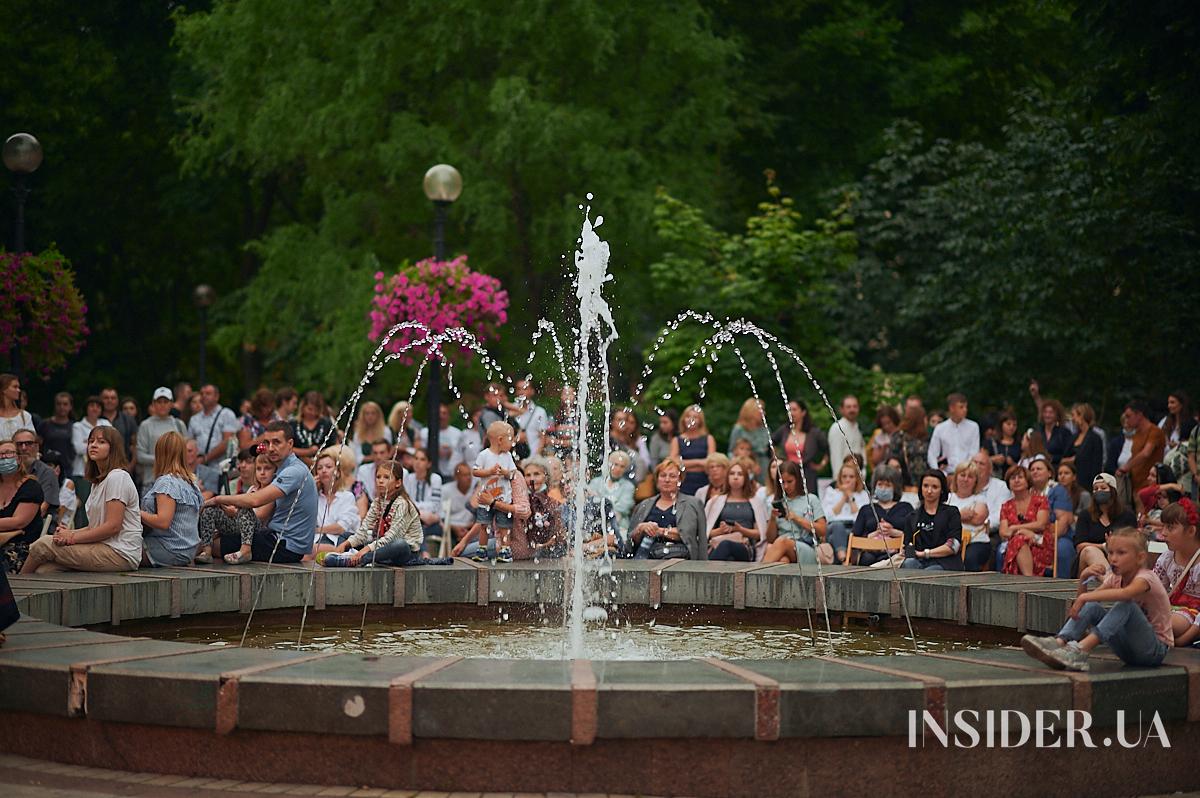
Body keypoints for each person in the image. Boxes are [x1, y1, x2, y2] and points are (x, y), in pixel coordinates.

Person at [1021, 527, 1171, 671]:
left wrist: (1086, 597)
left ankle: (1081, 650)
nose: (1113, 559)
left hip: (1153, 651)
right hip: (1127, 651)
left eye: (1121, 553)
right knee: (1092, 606)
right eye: (1110, 553)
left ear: (1140, 557)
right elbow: (1086, 603)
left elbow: (1126, 594)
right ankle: (1059, 642)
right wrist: (1083, 578)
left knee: (1127, 605)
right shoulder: (1116, 578)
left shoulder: (1146, 578)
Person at [21, 426, 140, 574]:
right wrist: (69, 533)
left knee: (44, 544)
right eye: (91, 441)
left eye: (101, 442)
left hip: (120, 553)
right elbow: (94, 527)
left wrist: (72, 537)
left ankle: (14, 591)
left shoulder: (117, 477)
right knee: (43, 571)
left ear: (113, 448)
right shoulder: (98, 482)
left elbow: (112, 527)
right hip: (102, 547)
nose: (93, 445)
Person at [201, 421, 317, 564]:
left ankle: (242, 551)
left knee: (216, 545)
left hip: (285, 546)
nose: (271, 448)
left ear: (290, 444)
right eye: (267, 443)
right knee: (213, 526)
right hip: (274, 537)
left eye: (276, 442)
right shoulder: (282, 469)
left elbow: (254, 501)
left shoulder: (294, 471)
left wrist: (218, 499)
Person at [322, 460, 436, 567]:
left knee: (400, 544)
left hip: (403, 554)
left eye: (386, 477)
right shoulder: (377, 502)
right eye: (378, 477)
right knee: (346, 536)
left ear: (398, 483)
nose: (381, 481)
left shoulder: (403, 504)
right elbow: (363, 530)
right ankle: (342, 558)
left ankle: (361, 559)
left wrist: (365, 550)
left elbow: (392, 538)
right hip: (380, 549)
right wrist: (346, 544)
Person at [138, 432, 203, 567]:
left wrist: (134, 512)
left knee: (117, 550)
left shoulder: (167, 482)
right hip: (188, 550)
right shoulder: (190, 481)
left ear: (160, 454)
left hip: (168, 548)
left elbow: (163, 522)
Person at [198, 451, 276, 564]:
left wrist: (235, 513)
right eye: (259, 469)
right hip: (239, 525)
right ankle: (207, 551)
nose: (262, 473)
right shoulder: (253, 488)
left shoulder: (272, 491)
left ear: (275, 472)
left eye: (267, 469)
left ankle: (245, 551)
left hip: (258, 532)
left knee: (245, 508)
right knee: (210, 510)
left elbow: (260, 516)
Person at [462, 420, 519, 562]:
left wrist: (505, 472)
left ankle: (505, 550)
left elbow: (513, 474)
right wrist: (489, 471)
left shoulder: (508, 457)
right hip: (486, 499)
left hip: (503, 499)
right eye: (510, 439)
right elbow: (475, 472)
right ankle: (482, 549)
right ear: (500, 440)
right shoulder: (484, 455)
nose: (513, 443)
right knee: (484, 524)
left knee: (504, 526)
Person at [628, 459, 706, 561]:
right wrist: (641, 528)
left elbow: (688, 534)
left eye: (672, 476)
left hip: (679, 556)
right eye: (663, 475)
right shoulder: (644, 504)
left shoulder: (692, 504)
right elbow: (631, 540)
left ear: (680, 480)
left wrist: (659, 531)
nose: (667, 480)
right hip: (645, 555)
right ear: (657, 479)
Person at [705, 458, 773, 561]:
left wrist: (741, 530)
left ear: (745, 478)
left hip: (745, 546)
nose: (735, 477)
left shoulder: (755, 501)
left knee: (726, 545)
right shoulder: (716, 501)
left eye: (740, 474)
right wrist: (721, 530)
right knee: (728, 557)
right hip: (719, 543)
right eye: (732, 474)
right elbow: (705, 532)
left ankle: (706, 574)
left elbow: (760, 534)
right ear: (727, 477)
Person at [761, 460, 828, 564]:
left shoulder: (811, 499)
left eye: (790, 481)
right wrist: (773, 519)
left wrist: (796, 518)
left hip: (806, 546)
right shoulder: (777, 503)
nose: (786, 486)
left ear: (798, 480)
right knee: (783, 561)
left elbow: (822, 530)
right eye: (782, 482)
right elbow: (770, 539)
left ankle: (755, 573)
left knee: (782, 542)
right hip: (784, 548)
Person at [1152, 500, 1200, 647]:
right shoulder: (1167, 557)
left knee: (1160, 624)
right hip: (1173, 608)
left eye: (1170, 528)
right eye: (1163, 527)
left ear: (1191, 531)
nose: (1163, 533)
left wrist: (1183, 640)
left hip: (1193, 616)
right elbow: (1153, 588)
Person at [847, 464, 913, 566]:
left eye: (887, 485)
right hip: (868, 555)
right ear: (875, 486)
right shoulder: (866, 509)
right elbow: (855, 538)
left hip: (895, 556)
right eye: (880, 484)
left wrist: (893, 532)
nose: (883, 488)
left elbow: (913, 536)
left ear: (895, 487)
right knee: (867, 559)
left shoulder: (905, 508)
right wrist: (875, 534)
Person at [1075, 473, 1139, 575]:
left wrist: (1115, 546)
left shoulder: (1127, 515)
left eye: (1103, 488)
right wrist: (1104, 546)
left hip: (1121, 559)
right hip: (1088, 563)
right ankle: (1110, 580)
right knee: (1089, 550)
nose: (1099, 491)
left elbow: (1135, 542)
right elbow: (1079, 546)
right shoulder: (1085, 515)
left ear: (1113, 491)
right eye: (1096, 489)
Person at [900, 471, 964, 571]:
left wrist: (926, 553)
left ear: (942, 490)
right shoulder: (912, 516)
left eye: (934, 487)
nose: (929, 491)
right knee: (908, 564)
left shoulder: (952, 513)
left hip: (945, 562)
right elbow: (907, 545)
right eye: (925, 486)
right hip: (919, 561)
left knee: (930, 572)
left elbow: (954, 545)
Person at [0, 438, 45, 573]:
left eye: (8, 453)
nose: (3, 458)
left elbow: (19, 522)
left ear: (19, 459)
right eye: (0, 455)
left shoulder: (31, 487)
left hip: (21, 546)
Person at [998, 465, 1052, 576]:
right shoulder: (1006, 506)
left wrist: (1015, 528)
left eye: (1020, 477)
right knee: (1019, 541)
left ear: (1028, 481)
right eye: (1013, 478)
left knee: (1016, 543)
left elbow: (1041, 525)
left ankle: (1027, 581)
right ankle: (1029, 578)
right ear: (1009, 483)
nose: (1016, 480)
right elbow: (1003, 532)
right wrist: (1023, 533)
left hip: (1039, 542)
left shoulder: (1040, 500)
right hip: (1017, 544)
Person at [1028, 454, 1076, 577]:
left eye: (1039, 469)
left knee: (1062, 549)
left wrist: (1046, 541)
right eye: (1032, 470)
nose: (1035, 472)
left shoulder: (1057, 490)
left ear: (1049, 473)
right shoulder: (1025, 492)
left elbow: (1063, 521)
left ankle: (1062, 589)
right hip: (1030, 534)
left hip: (1057, 536)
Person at [136, 387, 188, 492]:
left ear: (171, 404)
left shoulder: (179, 424)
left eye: (166, 401)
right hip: (151, 481)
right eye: (159, 402)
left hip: (176, 480)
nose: (162, 405)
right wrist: (165, 460)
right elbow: (140, 456)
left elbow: (185, 451)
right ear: (153, 404)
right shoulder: (145, 425)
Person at [311, 447, 361, 555]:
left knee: (308, 551)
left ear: (337, 472)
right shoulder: (314, 497)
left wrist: (317, 530)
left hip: (339, 543)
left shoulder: (347, 497)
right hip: (316, 541)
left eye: (328, 467)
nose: (323, 470)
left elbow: (341, 528)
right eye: (319, 468)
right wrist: (310, 490)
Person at [822, 457, 870, 564]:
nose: (847, 480)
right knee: (838, 527)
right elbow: (827, 516)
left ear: (857, 478)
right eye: (844, 477)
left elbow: (862, 517)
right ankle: (844, 558)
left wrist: (850, 498)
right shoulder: (831, 492)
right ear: (840, 478)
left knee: (841, 536)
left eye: (851, 477)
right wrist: (844, 498)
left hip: (853, 528)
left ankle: (842, 559)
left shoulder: (863, 495)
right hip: (833, 526)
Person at [947, 461, 990, 571]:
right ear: (956, 478)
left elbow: (977, 519)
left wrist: (950, 517)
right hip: (950, 542)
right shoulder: (948, 498)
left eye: (970, 476)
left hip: (976, 541)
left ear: (976, 481)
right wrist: (961, 515)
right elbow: (940, 520)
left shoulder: (980, 498)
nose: (965, 479)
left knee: (968, 558)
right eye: (962, 475)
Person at [1117, 400, 1167, 493]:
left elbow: (1146, 453)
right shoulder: (1136, 433)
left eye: (1129, 416)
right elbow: (1135, 455)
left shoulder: (1154, 431)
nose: (1126, 420)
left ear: (1139, 415)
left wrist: (1126, 467)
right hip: (1136, 485)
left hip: (1149, 485)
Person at [971, 448, 1012, 555]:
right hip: (963, 532)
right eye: (974, 463)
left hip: (990, 533)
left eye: (982, 464)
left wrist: (977, 524)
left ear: (990, 470)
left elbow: (1000, 515)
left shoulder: (1001, 487)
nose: (977, 466)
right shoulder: (964, 485)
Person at [188, 384, 241, 467]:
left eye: (208, 393)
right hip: (199, 468)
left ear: (217, 397)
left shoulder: (226, 414)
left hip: (221, 467)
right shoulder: (194, 419)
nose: (204, 396)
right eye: (202, 394)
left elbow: (228, 441)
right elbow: (190, 443)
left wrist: (205, 459)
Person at [927, 393, 979, 474]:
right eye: (961, 407)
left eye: (966, 407)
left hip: (967, 473)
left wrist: (965, 470)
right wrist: (939, 472)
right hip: (946, 473)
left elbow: (974, 452)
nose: (965, 410)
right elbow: (932, 454)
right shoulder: (940, 428)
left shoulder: (973, 427)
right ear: (952, 408)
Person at [670, 405, 716, 497]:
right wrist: (699, 462)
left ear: (700, 421)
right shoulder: (677, 440)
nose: (691, 420)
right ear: (683, 419)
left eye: (695, 417)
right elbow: (673, 462)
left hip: (704, 481)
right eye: (688, 416)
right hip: (684, 482)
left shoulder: (708, 439)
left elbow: (711, 462)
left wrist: (685, 463)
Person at [404, 448, 444, 555]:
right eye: (416, 458)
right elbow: (406, 503)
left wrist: (416, 511)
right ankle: (425, 553)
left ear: (429, 463)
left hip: (433, 524)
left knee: (414, 527)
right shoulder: (408, 478)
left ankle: (422, 553)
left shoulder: (435, 479)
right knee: (416, 526)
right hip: (417, 520)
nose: (418, 462)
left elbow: (434, 506)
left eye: (422, 459)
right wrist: (421, 514)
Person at [12, 429, 58, 518]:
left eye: (28, 443)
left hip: (39, 525)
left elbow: (43, 509)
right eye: (19, 444)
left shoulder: (47, 473)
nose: (24, 448)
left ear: (37, 447)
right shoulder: (7, 472)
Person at [587, 450, 636, 533]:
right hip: (595, 524)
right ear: (609, 464)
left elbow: (624, 508)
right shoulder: (596, 482)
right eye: (615, 464)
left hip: (619, 526)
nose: (618, 469)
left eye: (622, 466)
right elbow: (590, 504)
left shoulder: (628, 486)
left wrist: (600, 500)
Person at [889, 405, 930, 499]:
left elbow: (892, 458)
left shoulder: (898, 436)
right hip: (917, 485)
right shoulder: (927, 439)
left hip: (906, 485)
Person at [1061, 403, 1104, 489]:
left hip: (1087, 482)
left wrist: (1074, 459)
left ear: (1082, 416)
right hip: (1072, 482)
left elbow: (1096, 464)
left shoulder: (1095, 438)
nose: (1072, 419)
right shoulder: (1074, 437)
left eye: (1074, 415)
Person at [416, 403, 464, 479]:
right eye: (439, 413)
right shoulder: (425, 432)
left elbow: (461, 454)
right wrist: (434, 451)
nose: (441, 416)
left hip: (451, 474)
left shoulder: (458, 433)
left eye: (444, 413)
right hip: (429, 473)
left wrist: (451, 453)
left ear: (449, 416)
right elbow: (419, 451)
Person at [728, 398, 771, 479]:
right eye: (760, 410)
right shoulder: (739, 429)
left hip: (764, 466)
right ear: (751, 411)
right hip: (745, 467)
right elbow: (731, 452)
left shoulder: (766, 430)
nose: (763, 413)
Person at [508, 379, 550, 459]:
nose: (521, 392)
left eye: (525, 389)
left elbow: (543, 437)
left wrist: (536, 457)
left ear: (532, 391)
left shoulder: (540, 412)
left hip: (533, 456)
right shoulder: (510, 410)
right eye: (519, 389)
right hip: (513, 458)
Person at [290, 391, 335, 464]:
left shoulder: (326, 423)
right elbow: (287, 448)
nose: (313, 413)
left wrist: (319, 456)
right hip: (296, 463)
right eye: (310, 409)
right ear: (303, 407)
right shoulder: (293, 424)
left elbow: (334, 446)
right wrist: (307, 452)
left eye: (316, 410)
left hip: (322, 463)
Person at [71, 396, 111, 477]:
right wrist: (102, 443)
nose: (95, 409)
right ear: (86, 408)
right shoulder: (77, 426)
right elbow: (79, 449)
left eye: (98, 406)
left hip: (104, 471)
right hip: (82, 472)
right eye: (92, 406)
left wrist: (87, 442)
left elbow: (112, 443)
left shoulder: (106, 423)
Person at [828, 395, 864, 482]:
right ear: (842, 410)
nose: (852, 409)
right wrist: (839, 481)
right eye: (848, 407)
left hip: (857, 479)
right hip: (843, 480)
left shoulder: (857, 428)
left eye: (855, 406)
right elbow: (836, 458)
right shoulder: (837, 428)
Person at [37, 392, 75, 474]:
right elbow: (37, 444)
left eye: (65, 404)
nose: (62, 407)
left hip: (68, 469)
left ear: (70, 406)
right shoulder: (45, 424)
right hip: (47, 467)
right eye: (59, 404)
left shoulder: (74, 426)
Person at [443, 462, 478, 548]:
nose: (469, 478)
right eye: (465, 475)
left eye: (469, 475)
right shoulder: (445, 490)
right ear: (456, 477)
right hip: (450, 529)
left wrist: (469, 529)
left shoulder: (475, 491)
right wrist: (454, 528)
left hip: (470, 529)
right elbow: (440, 515)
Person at [99, 387, 138, 461]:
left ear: (117, 401)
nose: (109, 400)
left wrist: (131, 465)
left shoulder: (128, 420)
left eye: (113, 398)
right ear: (101, 400)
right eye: (106, 398)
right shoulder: (95, 419)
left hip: (124, 464)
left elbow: (135, 445)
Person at [350, 401, 392, 467]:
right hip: (362, 467)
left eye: (373, 413)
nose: (370, 416)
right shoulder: (358, 433)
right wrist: (370, 458)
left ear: (378, 415)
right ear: (363, 416)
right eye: (367, 413)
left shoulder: (385, 431)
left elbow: (389, 450)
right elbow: (356, 455)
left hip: (383, 466)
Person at [237, 388, 280, 452]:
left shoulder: (276, 418)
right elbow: (244, 447)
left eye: (270, 406)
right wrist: (263, 438)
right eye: (265, 407)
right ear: (257, 406)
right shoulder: (247, 420)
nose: (269, 410)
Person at [1033, 398, 1073, 466]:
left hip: (1058, 468)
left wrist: (1053, 458)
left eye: (1051, 412)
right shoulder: (1038, 431)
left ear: (1057, 415)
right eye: (1045, 412)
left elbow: (1068, 455)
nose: (1047, 415)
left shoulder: (1064, 433)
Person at [986, 410, 1021, 480]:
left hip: (1014, 479)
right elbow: (981, 460)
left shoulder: (1019, 444)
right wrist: (993, 459)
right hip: (994, 479)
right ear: (1001, 425)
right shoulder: (991, 442)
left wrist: (1013, 464)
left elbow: (1024, 466)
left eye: (1014, 425)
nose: (1011, 427)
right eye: (1008, 424)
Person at [0, 376, 35, 442]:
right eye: (15, 387)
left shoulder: (25, 416)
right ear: (4, 389)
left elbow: (31, 439)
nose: (19, 390)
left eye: (18, 387)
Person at [868, 405, 901, 472]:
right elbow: (875, 460)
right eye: (884, 424)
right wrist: (883, 449)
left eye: (889, 423)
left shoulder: (902, 434)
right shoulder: (879, 437)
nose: (887, 426)